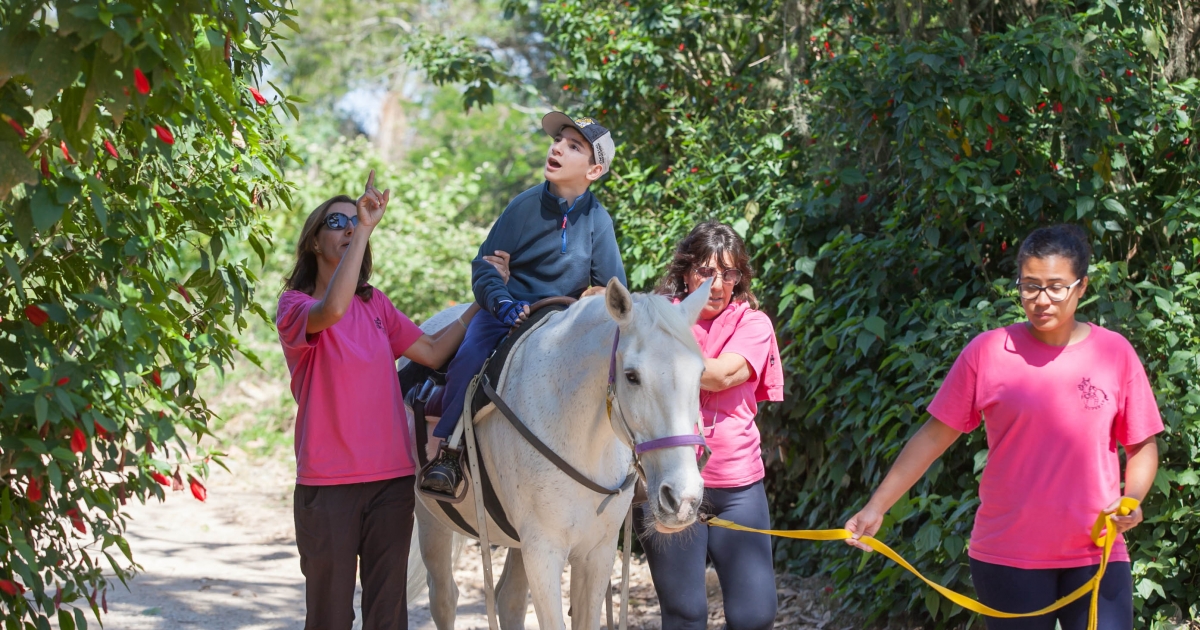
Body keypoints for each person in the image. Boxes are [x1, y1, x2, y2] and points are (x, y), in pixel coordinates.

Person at [843, 224, 1162, 630]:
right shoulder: (988, 352)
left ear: (1082, 287)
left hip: (1097, 552)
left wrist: (1131, 499)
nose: (1041, 300)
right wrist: (876, 508)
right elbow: (933, 437)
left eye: (1055, 287)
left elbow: (1141, 445)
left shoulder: (1115, 353)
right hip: (1009, 555)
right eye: (1030, 286)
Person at [277, 172, 481, 629]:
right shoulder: (293, 305)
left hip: (391, 480)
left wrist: (478, 305)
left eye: (356, 220)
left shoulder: (376, 305)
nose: (350, 227)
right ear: (313, 240)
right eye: (338, 221)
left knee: (388, 615)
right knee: (329, 617)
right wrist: (367, 228)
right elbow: (330, 311)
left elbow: (430, 351)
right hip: (327, 484)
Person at [420, 112, 627, 496]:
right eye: (558, 140)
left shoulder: (600, 221)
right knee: (469, 358)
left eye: (573, 146)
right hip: (508, 315)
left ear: (594, 170)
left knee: (621, 368)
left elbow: (614, 289)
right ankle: (448, 452)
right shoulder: (523, 207)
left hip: (563, 324)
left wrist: (595, 295)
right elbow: (484, 268)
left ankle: (626, 460)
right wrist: (500, 301)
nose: (557, 148)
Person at [643, 222, 784, 630]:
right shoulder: (659, 316)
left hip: (737, 487)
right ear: (686, 273)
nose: (717, 284)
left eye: (729, 273)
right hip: (668, 482)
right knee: (685, 614)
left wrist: (664, 343)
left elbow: (723, 375)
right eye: (706, 272)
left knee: (755, 616)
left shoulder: (753, 324)